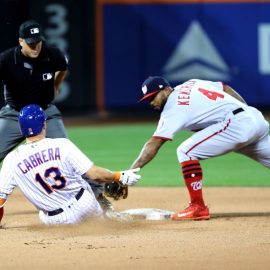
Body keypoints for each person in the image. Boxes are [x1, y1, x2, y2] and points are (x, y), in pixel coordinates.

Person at [0, 19, 121, 219]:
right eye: (30, 42)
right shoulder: (5, 60)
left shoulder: (52, 54)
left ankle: (99, 199)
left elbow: (63, 68)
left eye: (37, 41)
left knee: (71, 155)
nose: (35, 46)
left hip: (46, 113)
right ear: (20, 41)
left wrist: (56, 84)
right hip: (14, 115)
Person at [130, 76, 270, 221]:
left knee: (186, 151)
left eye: (153, 97)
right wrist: (245, 111)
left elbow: (154, 143)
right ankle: (197, 207)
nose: (151, 102)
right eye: (148, 99)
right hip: (255, 119)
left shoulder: (172, 109)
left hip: (238, 125)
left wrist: (130, 171)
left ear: (166, 89)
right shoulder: (192, 83)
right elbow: (225, 88)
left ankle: (198, 207)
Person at [0, 104, 141, 225]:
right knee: (83, 184)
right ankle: (107, 216)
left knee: (43, 216)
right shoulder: (62, 144)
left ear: (21, 129)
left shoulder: (11, 160)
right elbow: (94, 174)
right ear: (44, 124)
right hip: (84, 206)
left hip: (56, 220)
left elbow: (0, 199)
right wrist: (119, 176)